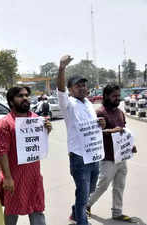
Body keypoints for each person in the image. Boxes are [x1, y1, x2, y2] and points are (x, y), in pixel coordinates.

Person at [56, 55, 106, 225]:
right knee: (83, 193)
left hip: (94, 155)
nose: (83, 88)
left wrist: (101, 123)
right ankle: (82, 221)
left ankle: (75, 210)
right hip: (79, 157)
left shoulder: (88, 104)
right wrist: (62, 68)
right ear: (70, 89)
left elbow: (92, 126)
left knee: (89, 190)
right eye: (78, 86)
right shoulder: (68, 103)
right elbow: (60, 90)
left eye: (84, 85)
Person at [0, 86, 52, 225]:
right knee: (11, 213)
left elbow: (38, 144)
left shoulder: (36, 119)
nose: (25, 98)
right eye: (20, 96)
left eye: (27, 95)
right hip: (14, 177)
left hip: (34, 176)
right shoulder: (5, 123)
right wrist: (8, 178)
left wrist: (46, 130)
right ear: (11, 101)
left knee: (37, 210)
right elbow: (2, 152)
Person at [86, 84, 137, 222]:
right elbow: (93, 134)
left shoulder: (120, 112)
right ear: (106, 96)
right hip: (107, 158)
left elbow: (124, 130)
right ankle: (86, 205)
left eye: (118, 96)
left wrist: (131, 145)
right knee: (102, 185)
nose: (117, 98)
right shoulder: (100, 112)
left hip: (122, 156)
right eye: (114, 96)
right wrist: (110, 131)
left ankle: (117, 212)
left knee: (119, 186)